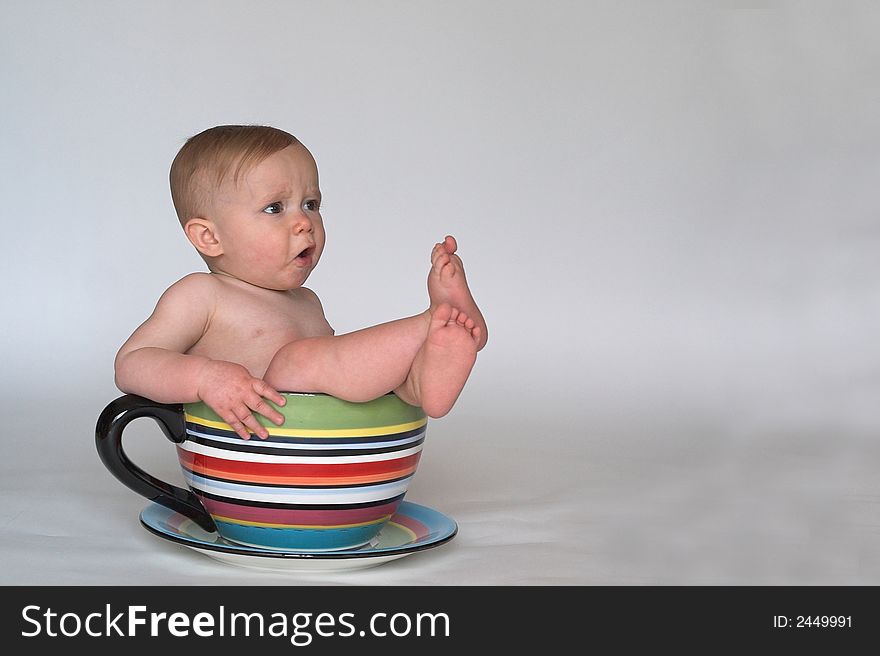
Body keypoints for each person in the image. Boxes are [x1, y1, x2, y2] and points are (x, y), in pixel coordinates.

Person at [114, 125, 487, 440]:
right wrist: (204, 377)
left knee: (378, 382)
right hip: (262, 446)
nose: (304, 222)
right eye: (275, 208)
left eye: (310, 204)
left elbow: (345, 370)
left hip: (328, 444)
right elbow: (131, 363)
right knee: (296, 360)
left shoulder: (306, 301)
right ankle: (434, 321)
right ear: (210, 237)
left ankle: (425, 377)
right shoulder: (201, 294)